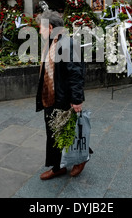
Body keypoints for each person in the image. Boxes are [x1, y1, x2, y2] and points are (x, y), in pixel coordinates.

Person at [35, 9, 87, 180]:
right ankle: (59, 165)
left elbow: (76, 74)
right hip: (52, 97)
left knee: (67, 130)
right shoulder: (53, 42)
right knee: (58, 131)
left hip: (62, 98)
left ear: (50, 27)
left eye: (41, 28)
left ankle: (78, 160)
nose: (39, 30)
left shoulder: (67, 44)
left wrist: (77, 100)